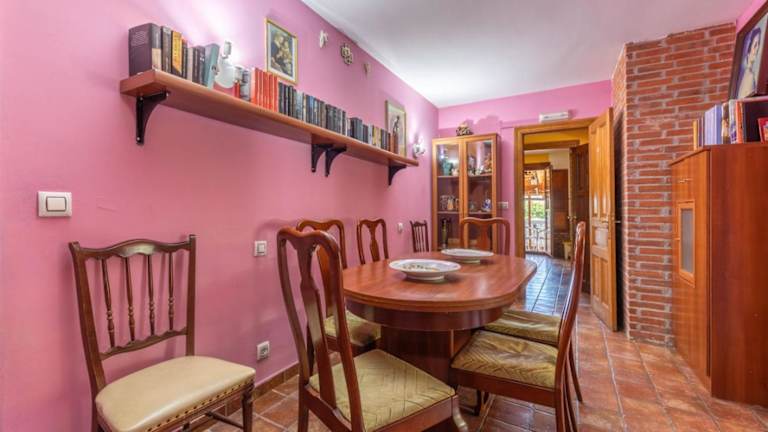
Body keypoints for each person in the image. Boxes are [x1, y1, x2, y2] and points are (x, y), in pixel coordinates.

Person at [738, 26, 763, 98]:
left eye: (759, 44)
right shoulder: (750, 76)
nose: (757, 48)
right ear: (749, 48)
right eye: (755, 45)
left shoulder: (745, 74)